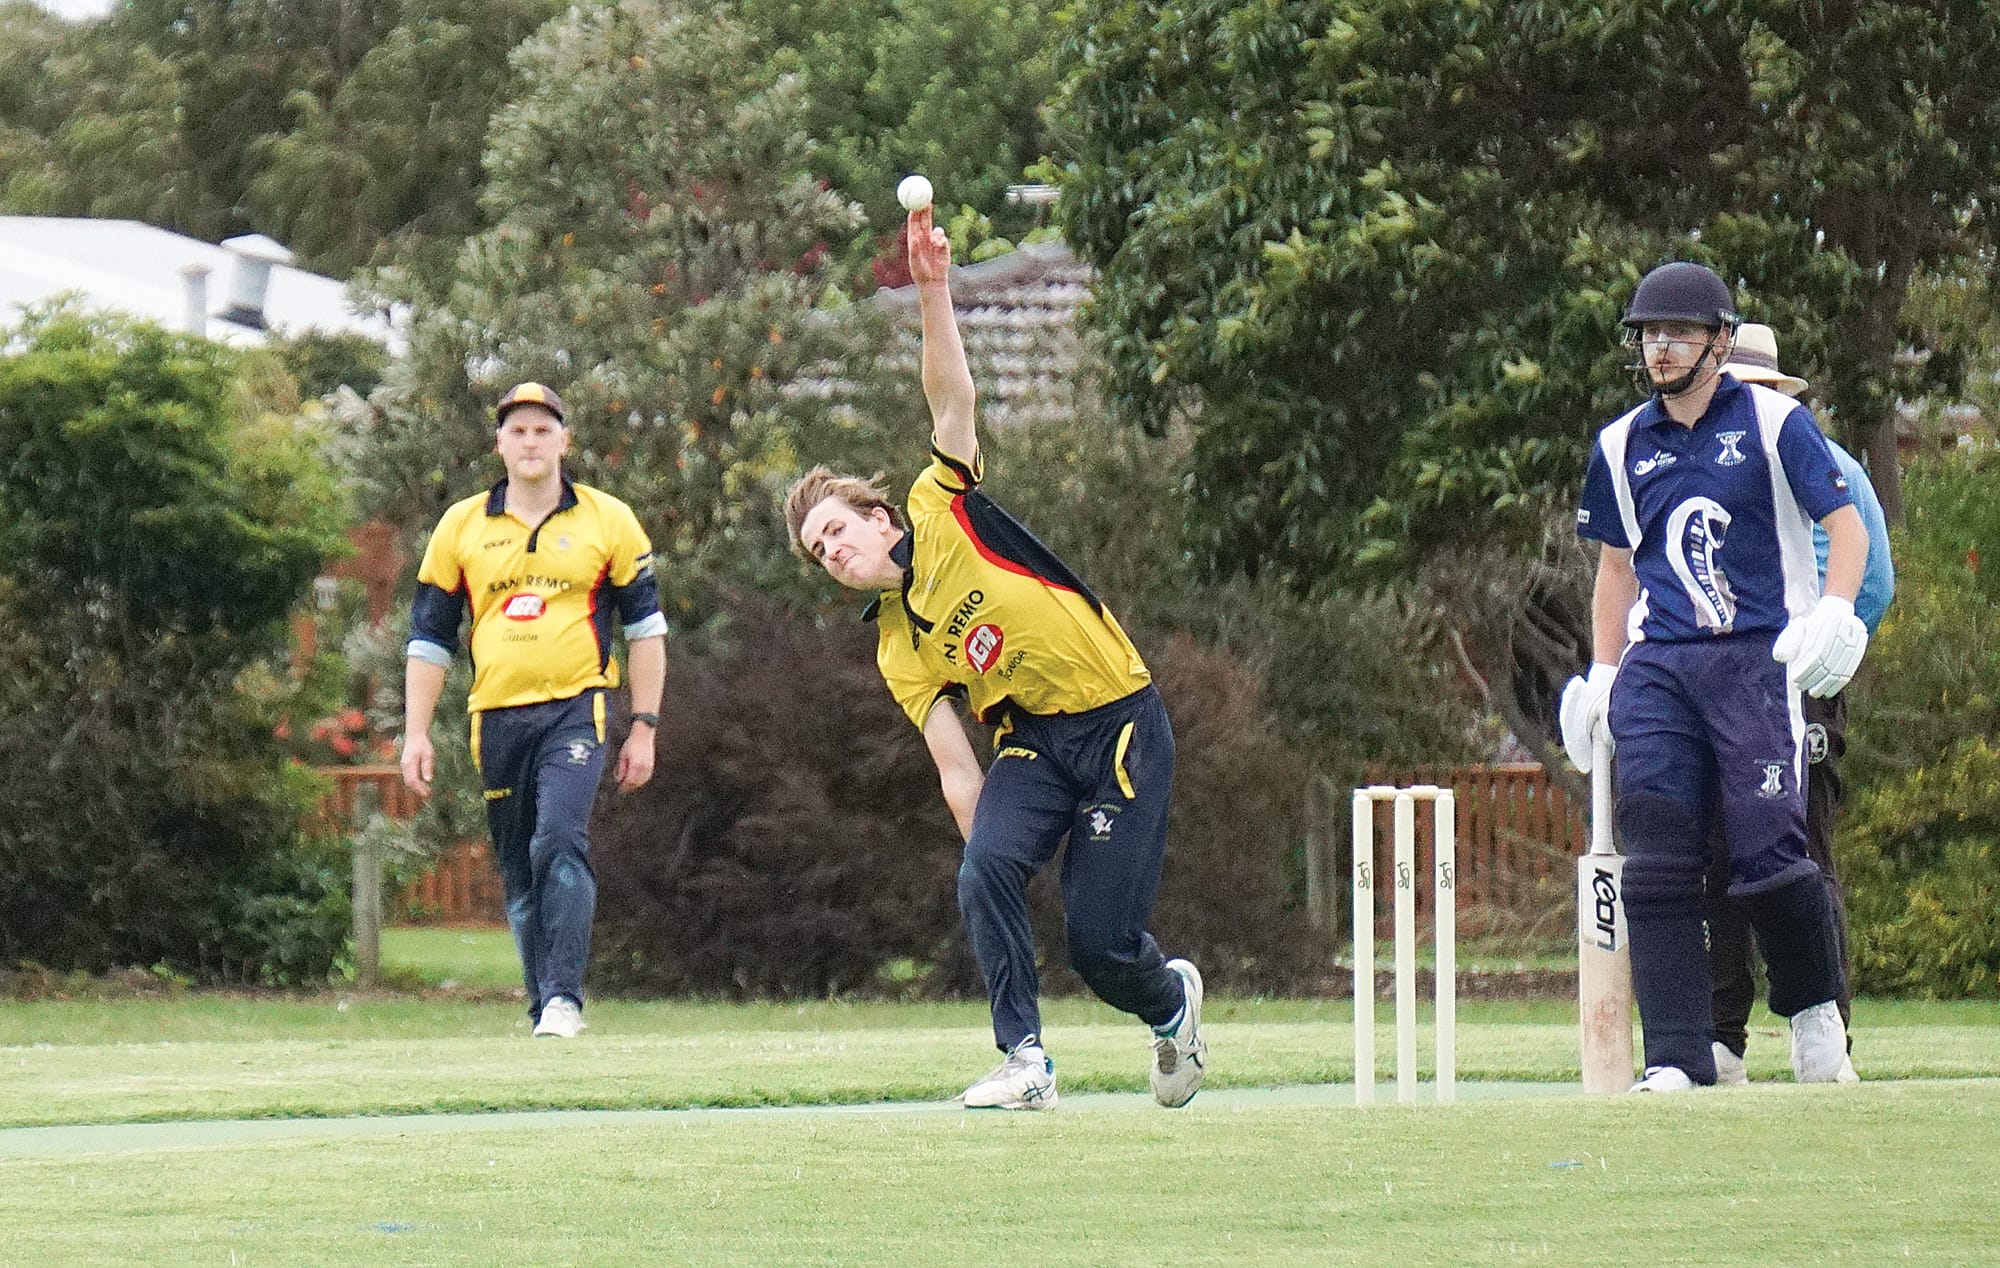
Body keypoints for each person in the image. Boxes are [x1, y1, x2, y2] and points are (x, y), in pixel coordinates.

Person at [780, 202, 1205, 1111]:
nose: (833, 552)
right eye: (819, 552)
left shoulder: (939, 507)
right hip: (1037, 745)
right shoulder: (897, 645)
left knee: (1100, 947)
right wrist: (999, 866)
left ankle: (1171, 1005)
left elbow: (953, 400)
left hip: (1121, 723)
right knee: (979, 870)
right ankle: (1026, 1062)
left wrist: (932, 289)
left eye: (837, 531)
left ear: (878, 518)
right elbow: (955, 766)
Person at [1558, 262, 1871, 1091]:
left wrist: (1836, 612)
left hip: (1759, 658)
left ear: (1720, 341)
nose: (1660, 348)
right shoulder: (1620, 444)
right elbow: (1616, 570)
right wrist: (1602, 673)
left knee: (1769, 855)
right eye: (1648, 335)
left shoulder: (1776, 423)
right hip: (1661, 666)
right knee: (1657, 857)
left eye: (1679, 333)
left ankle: (1814, 1013)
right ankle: (1678, 1057)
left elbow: (1847, 529)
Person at [400, 382, 667, 1038]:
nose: (530, 442)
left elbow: (647, 629)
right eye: (517, 430)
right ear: (499, 443)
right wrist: (415, 733)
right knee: (519, 867)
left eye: (543, 430)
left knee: (560, 839)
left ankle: (564, 999)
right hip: (495, 717)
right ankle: (541, 1003)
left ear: (564, 441)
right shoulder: (461, 525)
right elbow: (429, 638)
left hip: (576, 708)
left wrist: (645, 726)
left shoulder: (608, 520)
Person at [1703, 324, 1895, 1086]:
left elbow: (1871, 579)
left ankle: (1826, 1034)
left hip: (1800, 684)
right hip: (1718, 683)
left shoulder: (1827, 464)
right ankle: (1721, 1041)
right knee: (1719, 854)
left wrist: (1824, 650)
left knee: (1801, 852)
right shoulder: (1700, 465)